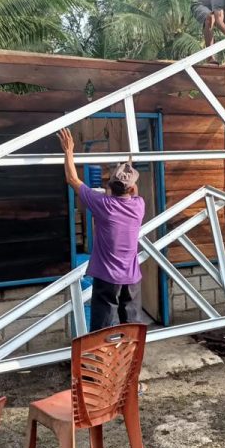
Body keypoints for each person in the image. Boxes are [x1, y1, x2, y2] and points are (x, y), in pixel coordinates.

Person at [57, 128, 145, 331]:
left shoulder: (103, 204)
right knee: (131, 327)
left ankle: (102, 360)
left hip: (107, 278)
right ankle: (130, 360)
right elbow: (133, 190)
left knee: (103, 328)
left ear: (109, 185)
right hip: (132, 279)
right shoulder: (138, 205)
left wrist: (68, 151)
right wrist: (128, 170)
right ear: (132, 189)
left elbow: (72, 179)